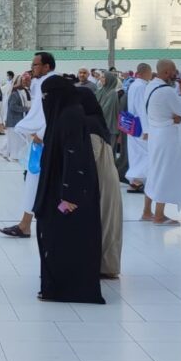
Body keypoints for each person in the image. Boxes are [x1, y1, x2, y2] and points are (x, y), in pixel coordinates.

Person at [34, 75, 105, 304]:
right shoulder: (63, 113)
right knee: (56, 239)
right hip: (57, 189)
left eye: (47, 95)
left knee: (67, 240)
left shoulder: (71, 116)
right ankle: (55, 286)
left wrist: (70, 195)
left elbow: (76, 157)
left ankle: (68, 289)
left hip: (68, 196)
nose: (45, 100)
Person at [1, 52, 57, 239]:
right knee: (33, 181)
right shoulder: (41, 83)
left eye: (35, 65)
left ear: (47, 66)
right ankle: (25, 224)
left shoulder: (50, 84)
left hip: (46, 140)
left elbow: (50, 114)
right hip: (41, 139)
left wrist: (39, 134)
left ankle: (28, 225)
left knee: (43, 183)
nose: (32, 68)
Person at [73, 84, 124, 279]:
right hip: (106, 180)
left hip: (100, 181)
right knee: (108, 223)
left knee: (104, 224)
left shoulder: (89, 125)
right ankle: (107, 266)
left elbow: (89, 157)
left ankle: (105, 267)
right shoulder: (95, 120)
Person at [142, 59, 181, 226]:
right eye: (173, 71)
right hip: (166, 137)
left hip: (155, 134)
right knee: (164, 172)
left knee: (154, 171)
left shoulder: (150, 86)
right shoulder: (167, 91)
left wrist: (173, 117)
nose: (176, 74)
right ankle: (159, 215)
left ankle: (147, 211)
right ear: (165, 73)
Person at [124, 63, 153, 193]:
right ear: (144, 73)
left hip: (133, 124)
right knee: (145, 154)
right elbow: (142, 109)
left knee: (136, 154)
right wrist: (147, 130)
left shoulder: (134, 85)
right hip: (140, 126)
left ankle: (135, 180)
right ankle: (137, 181)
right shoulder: (141, 86)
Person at [0, 72, 31, 162]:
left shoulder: (20, 92)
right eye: (22, 81)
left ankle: (8, 154)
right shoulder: (14, 93)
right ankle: (13, 156)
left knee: (14, 140)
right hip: (13, 120)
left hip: (17, 120)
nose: (24, 83)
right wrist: (25, 108)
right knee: (14, 141)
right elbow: (13, 107)